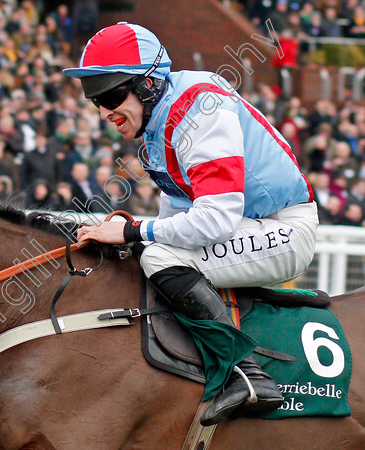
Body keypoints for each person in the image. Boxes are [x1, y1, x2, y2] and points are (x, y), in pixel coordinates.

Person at [65, 23, 318, 426]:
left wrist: (133, 231)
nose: (102, 111)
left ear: (149, 85)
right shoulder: (155, 132)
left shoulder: (199, 111)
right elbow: (179, 216)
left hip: (281, 229)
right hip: (245, 227)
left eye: (111, 95)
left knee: (157, 252)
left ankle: (246, 373)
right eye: (94, 99)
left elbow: (215, 220)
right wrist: (136, 240)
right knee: (150, 253)